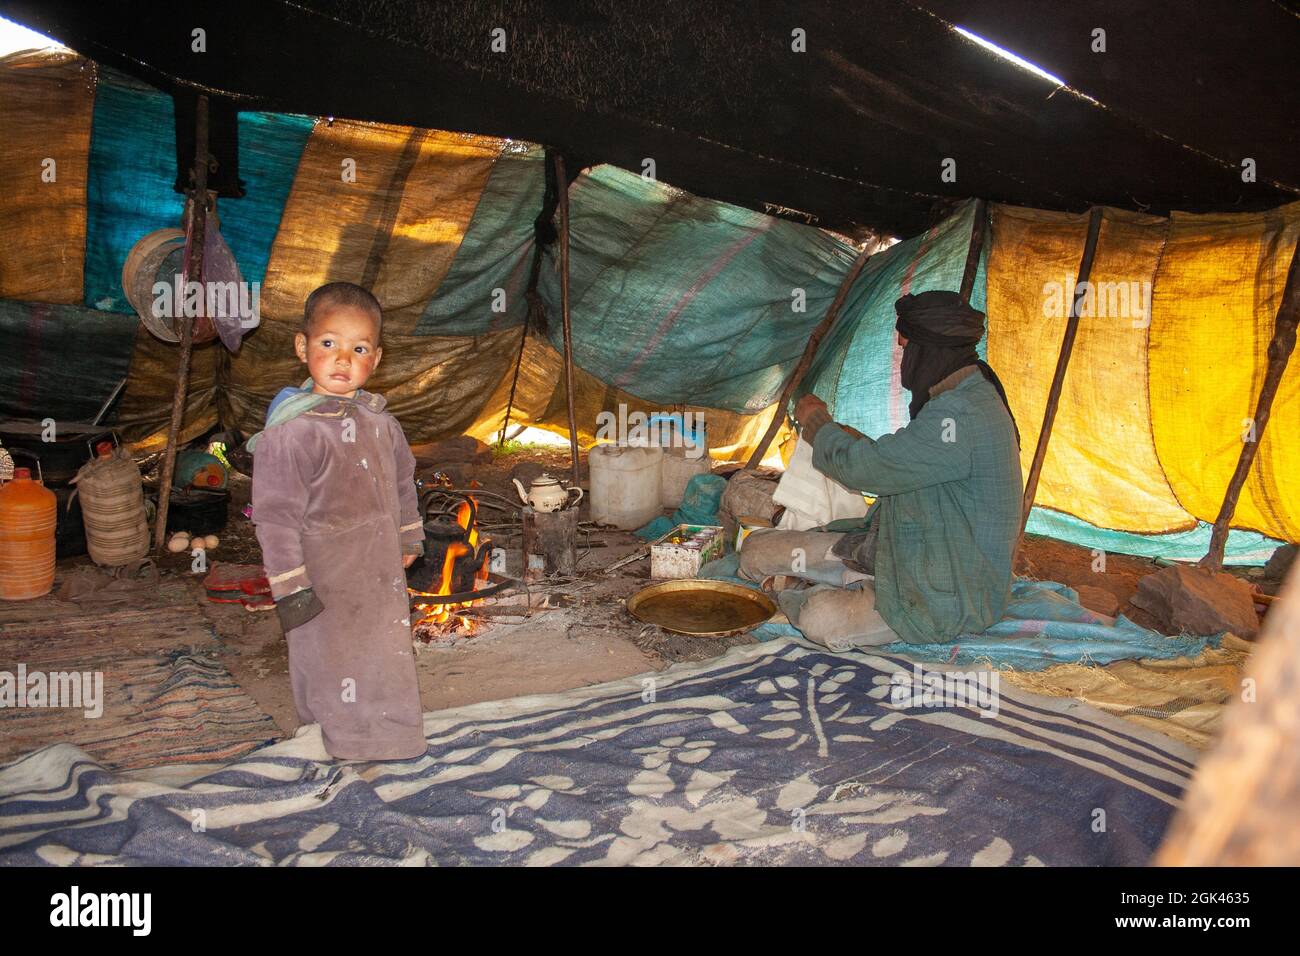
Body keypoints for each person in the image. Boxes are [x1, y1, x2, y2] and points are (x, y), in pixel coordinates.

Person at [739, 290, 1023, 650]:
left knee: (820, 617)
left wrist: (816, 423)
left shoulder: (962, 413)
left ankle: (814, 593)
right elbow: (907, 460)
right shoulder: (958, 394)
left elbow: (868, 469)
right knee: (755, 551)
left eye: (906, 349)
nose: (902, 358)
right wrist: (847, 436)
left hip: (944, 591)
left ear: (928, 349)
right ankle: (834, 583)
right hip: (894, 552)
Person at [249, 281, 426, 760]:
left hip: (377, 569)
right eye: (329, 344)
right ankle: (335, 743)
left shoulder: (380, 422)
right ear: (302, 347)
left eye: (359, 348)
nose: (343, 359)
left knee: (384, 652)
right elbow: (274, 517)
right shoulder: (291, 434)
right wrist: (290, 585)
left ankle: (391, 737)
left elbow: (404, 478)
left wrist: (409, 533)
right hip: (321, 576)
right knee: (327, 659)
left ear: (377, 358)